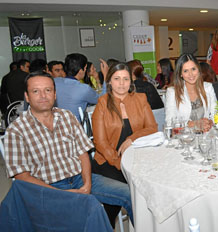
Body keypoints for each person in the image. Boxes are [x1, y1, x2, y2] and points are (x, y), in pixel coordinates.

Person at [4, 71, 133, 228]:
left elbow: (83, 153)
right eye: (36, 91)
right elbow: (21, 175)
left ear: (55, 94)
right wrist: (59, 194)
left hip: (80, 177)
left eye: (48, 90)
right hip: (48, 189)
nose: (43, 95)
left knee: (131, 194)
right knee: (90, 207)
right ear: (27, 96)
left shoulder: (67, 117)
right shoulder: (17, 129)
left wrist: (87, 183)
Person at [92, 62, 158, 226]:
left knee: (151, 192)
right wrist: (119, 163)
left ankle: (146, 226)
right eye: (117, 79)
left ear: (131, 81)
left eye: (125, 79)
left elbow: (152, 128)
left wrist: (132, 138)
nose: (121, 83)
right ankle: (108, 225)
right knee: (127, 196)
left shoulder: (140, 99)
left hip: (138, 159)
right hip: (109, 162)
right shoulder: (102, 103)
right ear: (110, 81)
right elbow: (100, 143)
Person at [165, 53, 217, 128]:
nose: (191, 74)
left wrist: (210, 122)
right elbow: (170, 121)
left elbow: (215, 114)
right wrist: (193, 124)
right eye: (185, 71)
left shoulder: (208, 87)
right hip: (184, 136)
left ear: (198, 70)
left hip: (206, 135)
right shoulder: (172, 92)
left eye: (193, 69)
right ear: (180, 74)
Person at [54, 53, 99, 121]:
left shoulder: (55, 82)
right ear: (81, 70)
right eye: (85, 68)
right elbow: (102, 100)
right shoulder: (84, 88)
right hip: (75, 127)